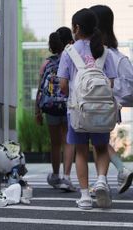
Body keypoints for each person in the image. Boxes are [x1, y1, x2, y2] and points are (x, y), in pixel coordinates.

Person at [58, 8, 117, 210]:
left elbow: (63, 85)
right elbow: (110, 84)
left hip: (77, 111)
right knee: (101, 149)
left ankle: (84, 197)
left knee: (81, 152)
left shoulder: (69, 52)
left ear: (76, 28)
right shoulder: (105, 51)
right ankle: (101, 180)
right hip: (101, 111)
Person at [90, 4, 133, 194]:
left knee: (96, 142)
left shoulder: (94, 54)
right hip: (112, 107)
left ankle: (111, 176)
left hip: (95, 104)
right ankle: (106, 178)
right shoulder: (118, 56)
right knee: (100, 141)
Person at [35, 27, 76, 192]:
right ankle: (66, 177)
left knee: (55, 143)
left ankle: (55, 175)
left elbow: (40, 89)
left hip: (50, 107)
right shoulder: (72, 60)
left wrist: (37, 111)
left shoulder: (46, 63)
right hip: (68, 105)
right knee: (68, 141)